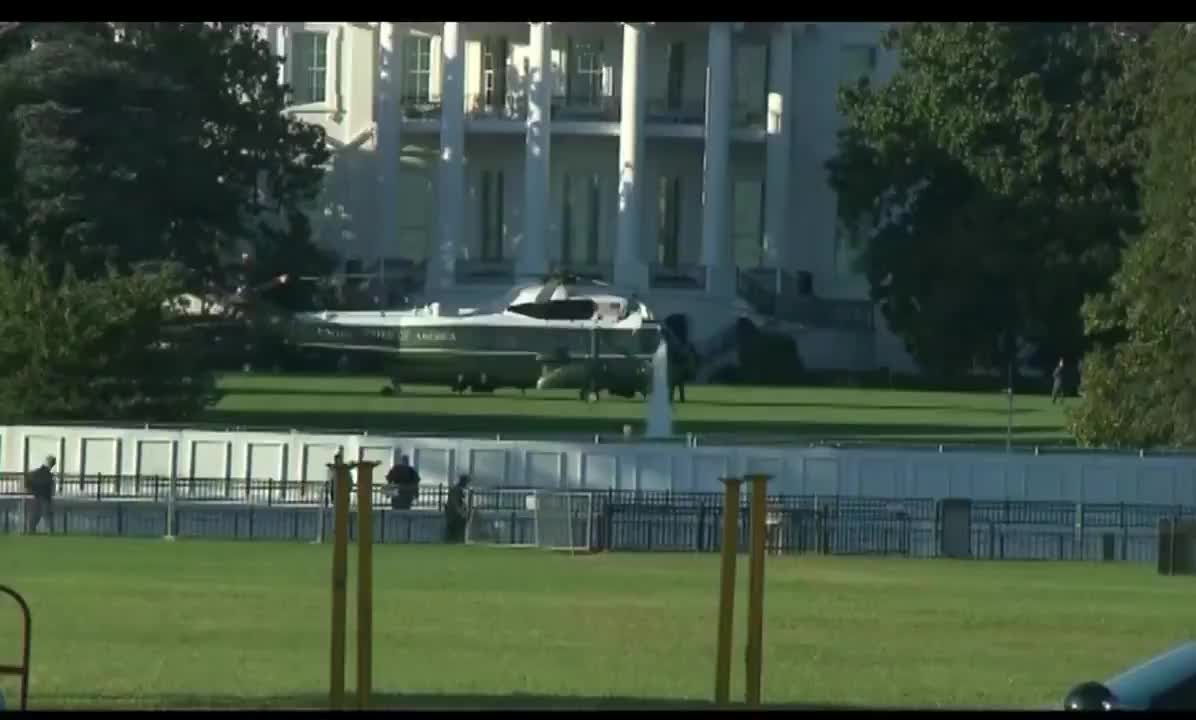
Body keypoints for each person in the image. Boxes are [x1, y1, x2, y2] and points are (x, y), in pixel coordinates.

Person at [25, 455, 56, 534]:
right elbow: (50, 487)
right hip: (45, 497)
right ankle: (50, 533)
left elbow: (28, 484)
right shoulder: (49, 475)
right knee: (47, 517)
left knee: (34, 517)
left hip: (35, 497)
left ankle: (31, 533)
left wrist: (31, 491)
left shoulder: (34, 473)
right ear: (52, 464)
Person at [444, 474, 472, 543]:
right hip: (455, 516)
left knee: (454, 534)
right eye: (467, 482)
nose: (467, 484)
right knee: (456, 535)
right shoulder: (457, 490)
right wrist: (461, 513)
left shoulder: (458, 489)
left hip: (455, 515)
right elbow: (455, 503)